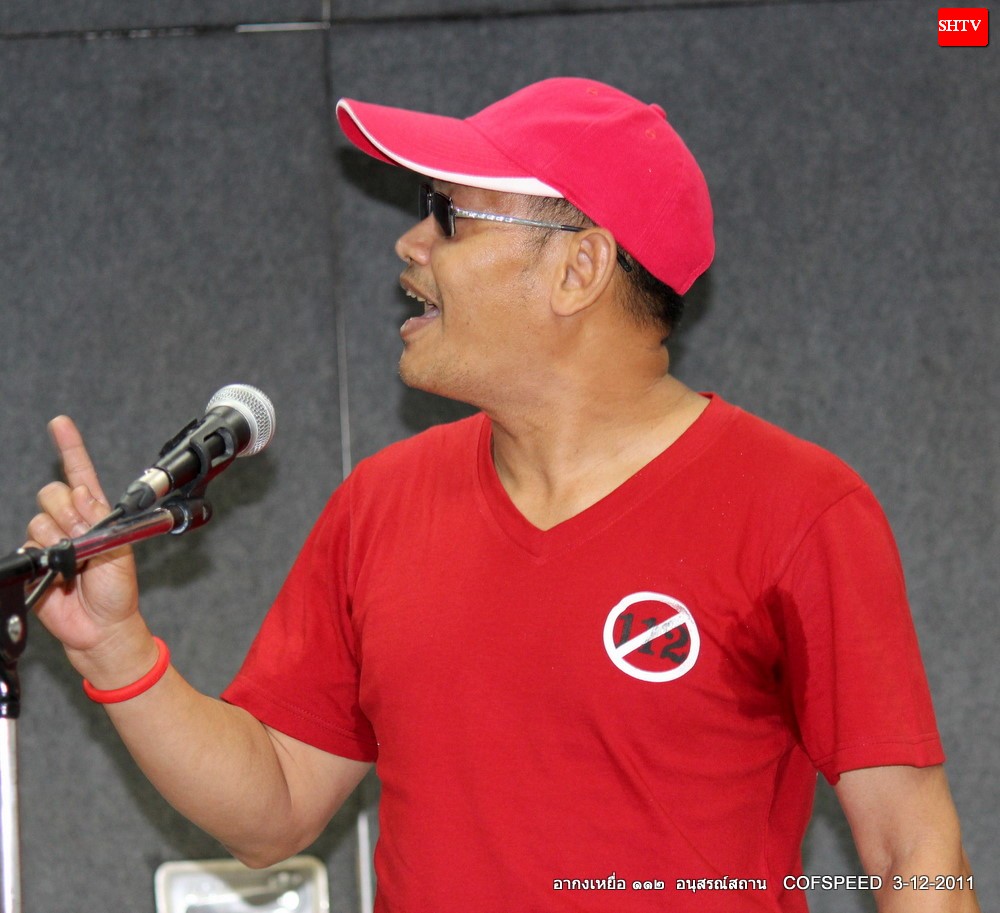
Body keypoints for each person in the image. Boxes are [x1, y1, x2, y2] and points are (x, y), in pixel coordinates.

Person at [28, 78, 978, 912]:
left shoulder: (799, 508)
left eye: (447, 214)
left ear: (578, 268)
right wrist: (118, 651)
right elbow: (273, 807)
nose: (409, 243)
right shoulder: (380, 504)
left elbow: (914, 852)